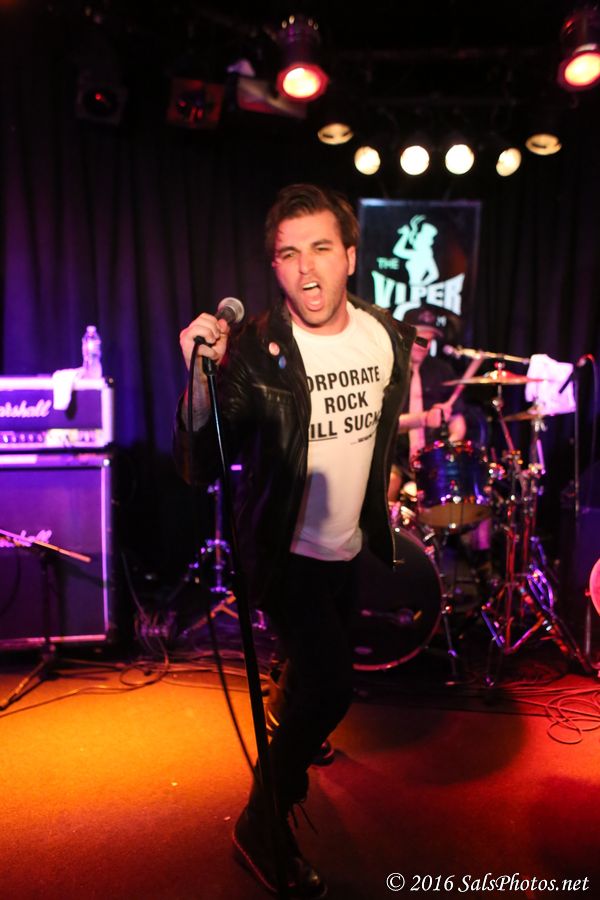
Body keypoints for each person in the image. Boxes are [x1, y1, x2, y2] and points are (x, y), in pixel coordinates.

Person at [174, 183, 414, 898]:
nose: (306, 268)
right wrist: (199, 378)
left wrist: (393, 472)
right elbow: (198, 462)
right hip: (282, 550)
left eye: (321, 248)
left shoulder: (386, 335)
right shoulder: (254, 352)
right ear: (274, 267)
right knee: (333, 687)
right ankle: (261, 821)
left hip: (347, 542)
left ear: (351, 256)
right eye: (288, 254)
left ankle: (289, 701)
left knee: (313, 671)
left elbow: (387, 420)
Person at [388, 305, 467, 505]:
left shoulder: (442, 371)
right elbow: (384, 425)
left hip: (432, 458)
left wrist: (444, 450)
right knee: (389, 485)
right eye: (419, 338)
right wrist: (423, 419)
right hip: (394, 457)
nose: (424, 345)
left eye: (429, 340)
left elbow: (458, 422)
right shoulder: (387, 369)